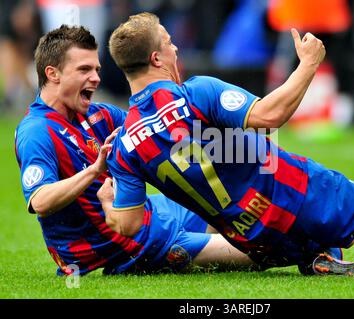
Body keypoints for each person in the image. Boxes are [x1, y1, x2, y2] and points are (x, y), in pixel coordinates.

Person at [104, 12, 354, 277]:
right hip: (290, 189)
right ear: (155, 58)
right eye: (167, 41)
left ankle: (318, 259)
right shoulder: (195, 93)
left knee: (323, 241)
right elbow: (270, 115)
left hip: (251, 237)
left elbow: (130, 224)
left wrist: (107, 199)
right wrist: (309, 64)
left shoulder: (123, 146)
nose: (175, 47)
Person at [14, 25, 262, 277]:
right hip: (126, 244)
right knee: (257, 251)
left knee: (226, 197)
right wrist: (95, 171)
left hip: (149, 213)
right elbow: (41, 201)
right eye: (84, 70)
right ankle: (301, 250)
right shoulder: (37, 131)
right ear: (53, 74)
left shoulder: (98, 114)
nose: (96, 78)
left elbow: (154, 128)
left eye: (97, 69)